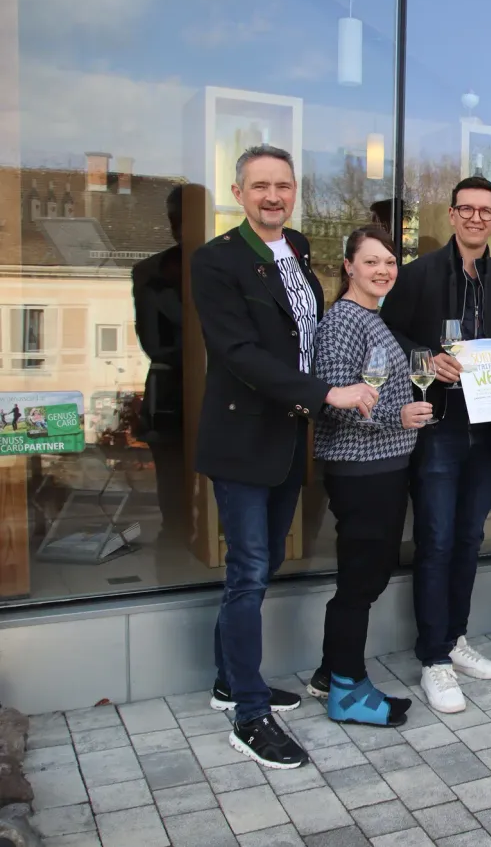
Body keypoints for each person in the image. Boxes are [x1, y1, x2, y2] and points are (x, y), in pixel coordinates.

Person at [192, 144, 377, 769]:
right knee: (247, 570)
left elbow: (304, 336)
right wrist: (329, 393)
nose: (274, 196)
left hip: (286, 437)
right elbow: (239, 354)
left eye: (284, 185)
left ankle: (228, 678)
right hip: (242, 437)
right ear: (239, 193)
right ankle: (249, 712)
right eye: (260, 186)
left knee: (263, 562)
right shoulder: (215, 261)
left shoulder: (295, 247)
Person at [378, 176, 491, 714]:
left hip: (484, 428)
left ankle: (456, 639)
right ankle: (433, 659)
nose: (477, 219)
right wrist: (425, 358)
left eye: (487, 211)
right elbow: (389, 333)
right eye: (468, 209)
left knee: (468, 538)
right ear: (452, 214)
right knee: (436, 541)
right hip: (437, 426)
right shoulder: (417, 276)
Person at [310, 225, 432, 727]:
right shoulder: (344, 320)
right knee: (360, 581)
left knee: (370, 574)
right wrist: (394, 418)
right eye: (371, 261)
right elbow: (333, 400)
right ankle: (346, 693)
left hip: (382, 468)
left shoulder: (370, 318)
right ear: (349, 267)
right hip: (361, 470)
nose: (383, 270)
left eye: (389, 262)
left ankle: (330, 673)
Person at [132, 186, 189, 547]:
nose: (177, 226)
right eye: (174, 218)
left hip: (225, 397)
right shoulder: (152, 272)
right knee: (173, 486)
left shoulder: (226, 268)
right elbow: (155, 344)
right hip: (171, 394)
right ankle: (175, 547)